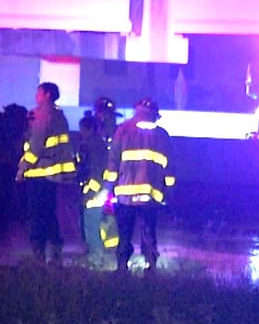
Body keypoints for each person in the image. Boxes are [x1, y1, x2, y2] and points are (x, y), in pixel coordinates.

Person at [102, 97, 174, 275]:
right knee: (148, 230)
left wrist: (108, 187)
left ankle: (122, 267)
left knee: (124, 232)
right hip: (151, 194)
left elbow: (113, 161)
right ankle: (150, 266)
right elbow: (169, 166)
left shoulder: (123, 130)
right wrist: (169, 191)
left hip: (125, 193)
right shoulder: (161, 135)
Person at [16, 81, 76, 263]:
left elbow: (36, 146)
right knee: (49, 213)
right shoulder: (58, 115)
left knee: (36, 214)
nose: (36, 96)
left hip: (39, 173)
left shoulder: (43, 115)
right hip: (51, 175)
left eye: (39, 92)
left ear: (47, 95)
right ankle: (55, 251)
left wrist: (22, 168)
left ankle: (39, 253)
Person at [75, 101, 119, 265]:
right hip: (101, 190)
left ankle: (96, 256)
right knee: (94, 223)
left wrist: (90, 192)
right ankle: (98, 253)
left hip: (97, 192)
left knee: (92, 224)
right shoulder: (94, 143)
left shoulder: (94, 145)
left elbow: (95, 171)